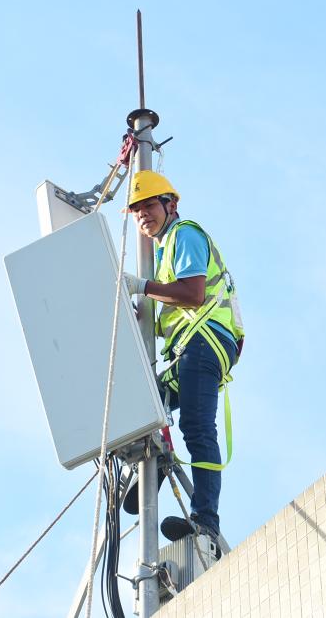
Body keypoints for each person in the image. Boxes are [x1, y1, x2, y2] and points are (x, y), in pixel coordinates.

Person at [121, 170, 244, 546]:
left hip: (204, 343)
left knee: (197, 428)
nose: (144, 215)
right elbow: (176, 309)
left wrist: (143, 287)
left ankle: (205, 521)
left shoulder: (184, 235)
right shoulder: (162, 252)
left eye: (149, 205)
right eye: (137, 210)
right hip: (192, 345)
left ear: (170, 204)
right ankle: (151, 471)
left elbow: (191, 294)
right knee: (146, 404)